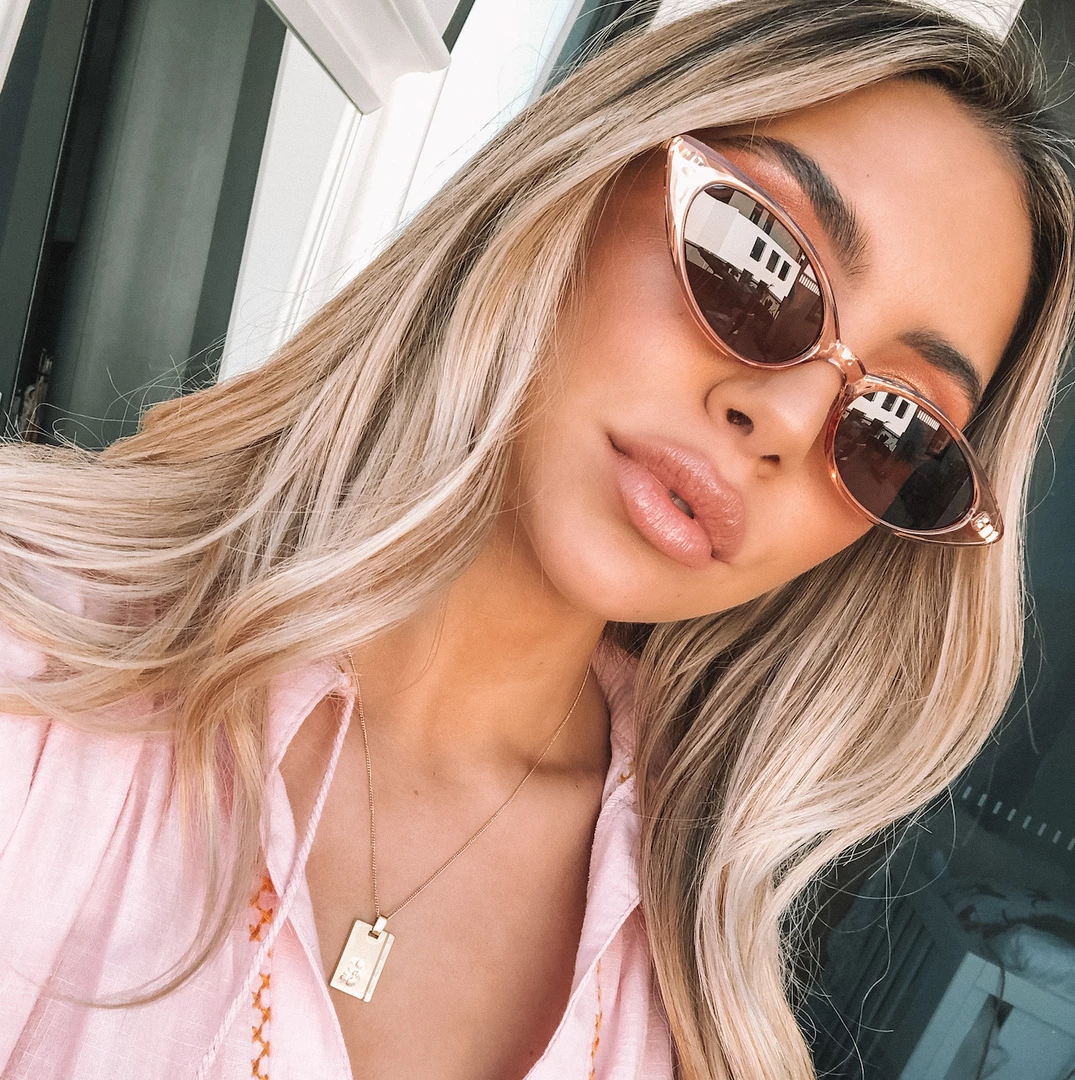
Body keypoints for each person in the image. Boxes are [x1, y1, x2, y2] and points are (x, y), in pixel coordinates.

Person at [1, 1, 1072, 1078]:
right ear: (583, 178)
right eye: (758, 258)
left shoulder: (694, 1024)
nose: (785, 422)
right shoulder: (34, 671)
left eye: (896, 426)